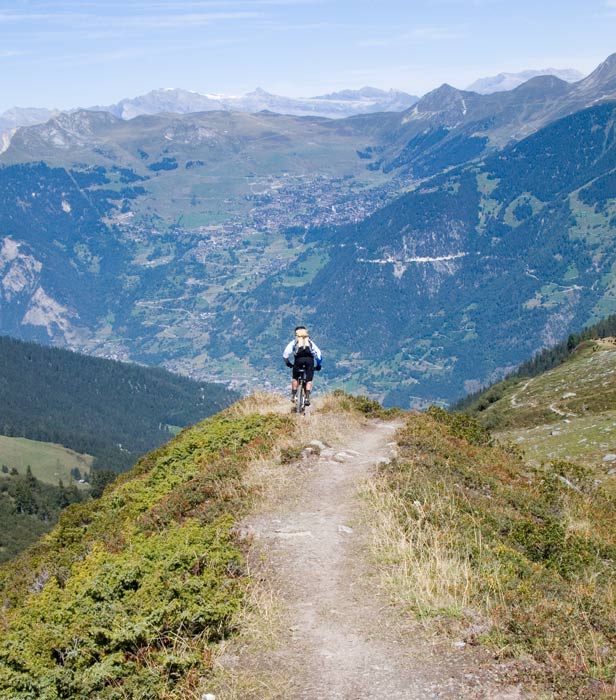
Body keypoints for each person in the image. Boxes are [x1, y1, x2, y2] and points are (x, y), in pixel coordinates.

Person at [282, 326, 322, 406]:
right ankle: (307, 398)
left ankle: (293, 396)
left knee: (295, 378)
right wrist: (318, 365)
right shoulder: (310, 342)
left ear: (296, 334)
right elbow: (318, 354)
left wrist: (288, 363)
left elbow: (285, 354)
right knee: (309, 380)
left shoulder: (294, 342)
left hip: (298, 360)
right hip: (309, 361)